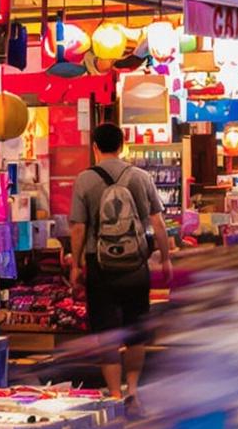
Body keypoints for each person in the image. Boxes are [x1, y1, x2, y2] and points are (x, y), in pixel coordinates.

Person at [70, 122, 176, 408]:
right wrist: (165, 258)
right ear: (123, 144)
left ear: (95, 147)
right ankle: (133, 391)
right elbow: (157, 222)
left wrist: (76, 264)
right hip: (136, 265)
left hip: (99, 265)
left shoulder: (85, 180)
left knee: (106, 332)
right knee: (136, 331)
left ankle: (114, 394)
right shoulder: (141, 177)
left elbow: (78, 227)